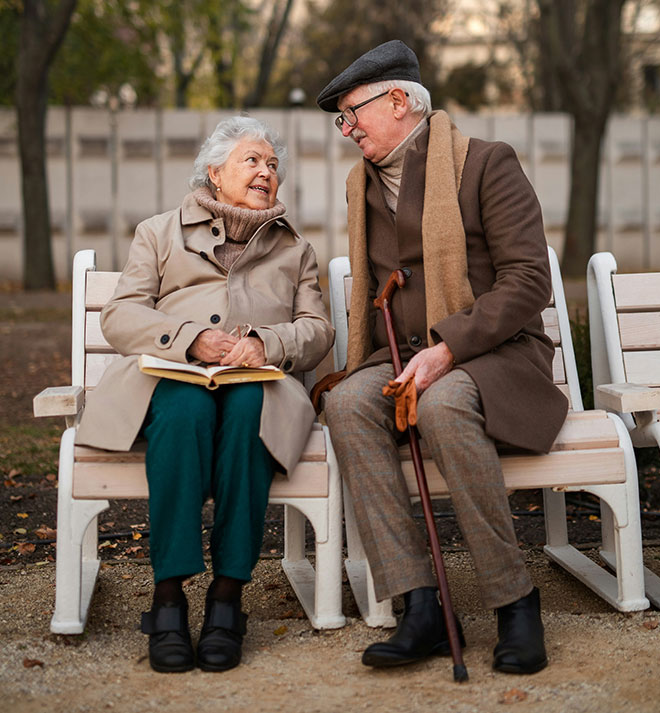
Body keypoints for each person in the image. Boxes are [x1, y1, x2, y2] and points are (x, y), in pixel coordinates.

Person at [316, 40, 568, 675]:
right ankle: (420, 607)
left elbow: (527, 281)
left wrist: (449, 347)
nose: (347, 131)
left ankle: (515, 602)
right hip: (403, 354)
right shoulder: (361, 188)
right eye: (340, 120)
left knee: (445, 403)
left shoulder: (486, 164)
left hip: (496, 354)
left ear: (398, 100)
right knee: (347, 403)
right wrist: (401, 354)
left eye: (353, 114)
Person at [75, 116, 334, 673]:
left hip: (257, 382)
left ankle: (226, 598)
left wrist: (266, 343)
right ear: (214, 174)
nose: (266, 172)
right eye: (252, 161)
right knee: (185, 408)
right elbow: (121, 315)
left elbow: (317, 330)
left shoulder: (296, 250)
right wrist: (190, 340)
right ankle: (168, 595)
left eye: (272, 164)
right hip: (172, 377)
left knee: (246, 413)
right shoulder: (159, 232)